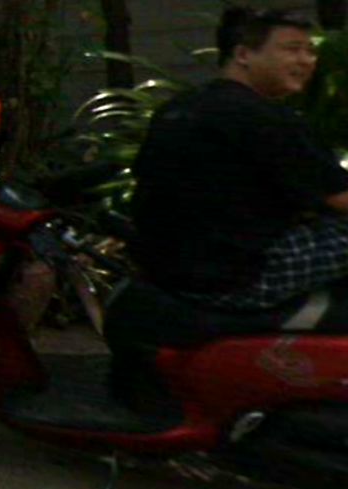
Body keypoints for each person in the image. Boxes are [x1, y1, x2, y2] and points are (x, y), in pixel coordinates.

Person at [130, 6, 348, 311]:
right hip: (240, 278)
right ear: (243, 54)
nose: (306, 60)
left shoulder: (179, 108)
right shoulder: (260, 116)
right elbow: (340, 198)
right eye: (292, 49)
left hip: (168, 276)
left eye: (310, 51)